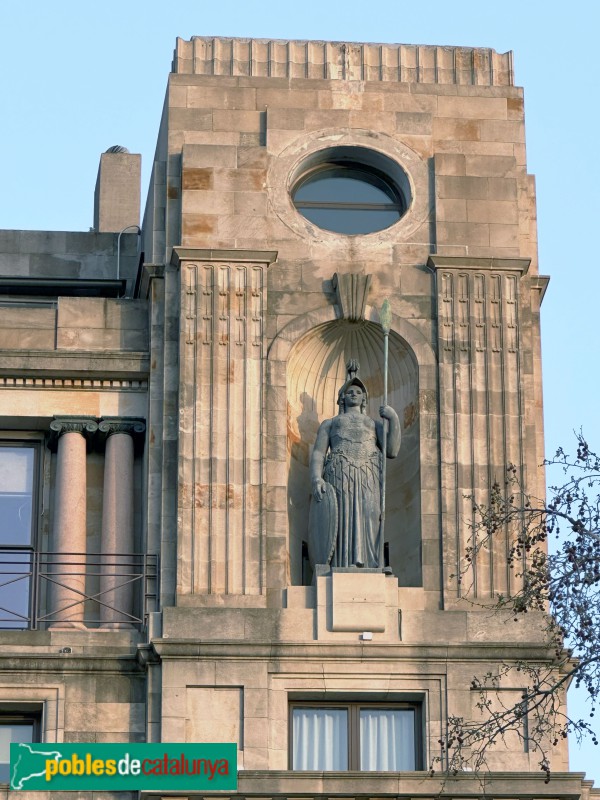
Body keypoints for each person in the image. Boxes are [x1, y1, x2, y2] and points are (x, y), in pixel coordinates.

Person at [309, 361, 400, 569]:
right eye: (350, 391)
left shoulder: (374, 424)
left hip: (368, 476)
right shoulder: (330, 423)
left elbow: (392, 450)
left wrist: (393, 418)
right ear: (342, 397)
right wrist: (316, 478)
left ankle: (371, 564)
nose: (354, 394)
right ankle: (341, 564)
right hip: (340, 475)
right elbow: (318, 453)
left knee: (370, 516)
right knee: (342, 519)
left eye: (358, 392)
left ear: (364, 398)